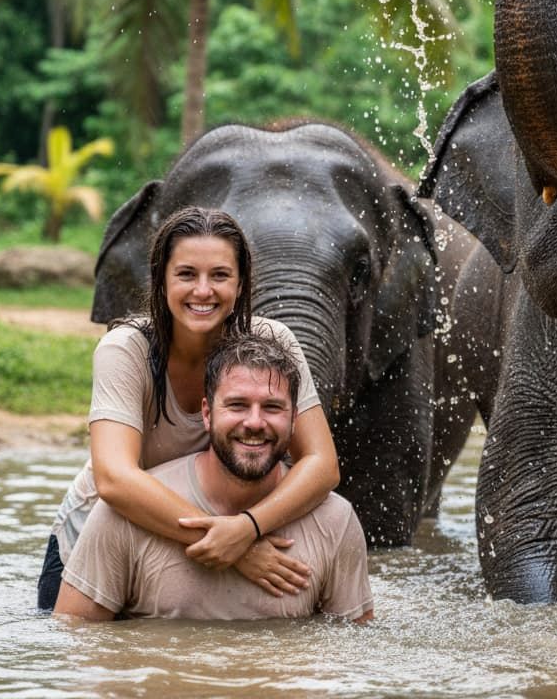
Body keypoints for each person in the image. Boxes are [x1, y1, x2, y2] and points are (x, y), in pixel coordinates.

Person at [37, 206, 340, 610]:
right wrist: (234, 544)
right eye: (186, 274)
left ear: (241, 283)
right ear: (161, 281)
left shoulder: (273, 342)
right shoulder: (126, 350)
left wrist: (248, 528)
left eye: (219, 275)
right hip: (101, 536)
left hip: (218, 531)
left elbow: (322, 463)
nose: (203, 291)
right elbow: (114, 478)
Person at [54, 333, 373, 620]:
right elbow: (77, 646)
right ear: (206, 414)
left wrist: (247, 529)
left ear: (295, 422)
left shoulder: (335, 522)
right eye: (237, 405)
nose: (254, 422)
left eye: (273, 407)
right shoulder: (124, 517)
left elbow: (351, 657)